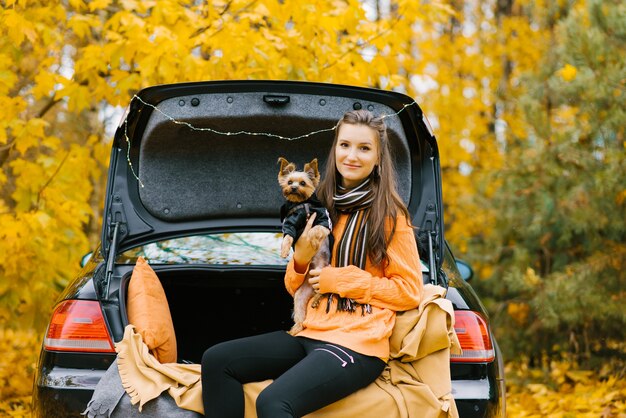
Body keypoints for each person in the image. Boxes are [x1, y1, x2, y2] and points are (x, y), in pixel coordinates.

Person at [201, 109, 423, 418]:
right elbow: (295, 287)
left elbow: (410, 291)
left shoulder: (390, 217)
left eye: (364, 148)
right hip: (311, 331)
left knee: (273, 401)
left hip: (357, 344)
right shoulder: (320, 207)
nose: (352, 156)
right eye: (344, 145)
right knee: (217, 360)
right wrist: (301, 259)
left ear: (378, 158)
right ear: (334, 150)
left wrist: (340, 281)